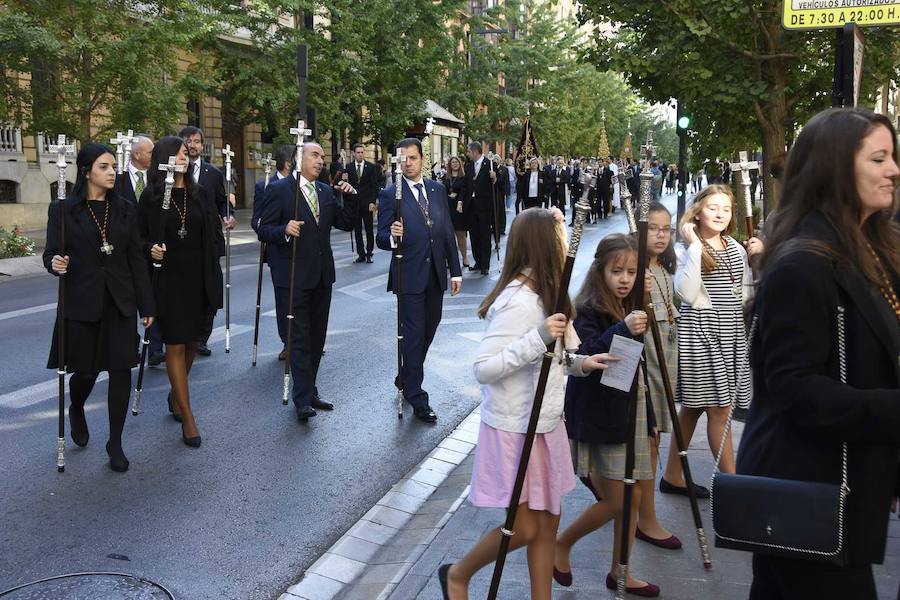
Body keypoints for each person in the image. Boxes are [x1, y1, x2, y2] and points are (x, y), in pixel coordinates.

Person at [736, 108, 900, 600]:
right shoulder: (803, 265)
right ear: (835, 168)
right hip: (809, 495)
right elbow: (794, 389)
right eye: (879, 158)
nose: (893, 169)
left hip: (847, 493)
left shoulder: (872, 250)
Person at [439, 207, 613, 600]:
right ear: (542, 246)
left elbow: (563, 359)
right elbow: (484, 369)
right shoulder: (517, 302)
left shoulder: (549, 293)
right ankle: (458, 574)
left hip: (547, 424)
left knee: (549, 520)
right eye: (561, 239)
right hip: (515, 427)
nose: (567, 246)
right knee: (524, 527)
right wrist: (536, 339)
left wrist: (586, 363)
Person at [553, 234, 660, 598]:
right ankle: (562, 544)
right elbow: (585, 358)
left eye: (631, 271)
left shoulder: (628, 305)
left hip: (629, 410)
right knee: (620, 500)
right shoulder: (588, 310)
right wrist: (623, 328)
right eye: (617, 271)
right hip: (602, 416)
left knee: (631, 497)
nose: (625, 278)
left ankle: (621, 570)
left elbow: (638, 364)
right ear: (600, 271)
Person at [44, 143, 155, 472]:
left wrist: (146, 304)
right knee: (87, 371)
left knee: (121, 369)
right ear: (87, 170)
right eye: (104, 167)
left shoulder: (123, 208)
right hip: (82, 300)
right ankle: (76, 405)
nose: (112, 172)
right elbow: (52, 252)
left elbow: (136, 257)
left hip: (120, 301)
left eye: (112, 167)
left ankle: (115, 441)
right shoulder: (63, 210)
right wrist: (56, 263)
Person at [661, 185, 752, 493]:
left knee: (695, 407)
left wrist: (760, 258)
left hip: (729, 334)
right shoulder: (686, 249)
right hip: (700, 334)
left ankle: (672, 475)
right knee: (719, 410)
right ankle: (733, 485)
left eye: (726, 209)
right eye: (713, 207)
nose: (720, 214)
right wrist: (695, 246)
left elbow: (745, 291)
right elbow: (685, 293)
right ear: (697, 212)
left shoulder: (734, 247)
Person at [257, 142, 357, 421]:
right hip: (293, 276)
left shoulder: (325, 191)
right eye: (315, 155)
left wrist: (349, 197)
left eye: (323, 157)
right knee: (299, 339)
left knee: (317, 338)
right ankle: (302, 399)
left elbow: (346, 223)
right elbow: (261, 227)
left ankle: (310, 389)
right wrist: (283, 230)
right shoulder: (278, 190)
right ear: (298, 159)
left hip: (322, 276)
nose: (321, 160)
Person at [138, 135, 223, 447]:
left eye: (185, 153)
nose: (184, 157)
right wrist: (151, 249)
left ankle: (177, 393)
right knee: (174, 344)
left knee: (192, 343)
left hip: (199, 278)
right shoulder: (152, 197)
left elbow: (211, 235)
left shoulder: (200, 194)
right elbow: (139, 237)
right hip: (169, 281)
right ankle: (187, 416)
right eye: (177, 153)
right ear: (163, 159)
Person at [376, 138, 462, 423]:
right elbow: (381, 238)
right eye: (403, 160)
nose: (408, 164)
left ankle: (405, 375)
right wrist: (393, 235)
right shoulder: (391, 194)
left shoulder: (437, 190)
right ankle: (417, 396)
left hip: (436, 273)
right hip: (409, 275)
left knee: (429, 329)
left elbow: (447, 230)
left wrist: (456, 270)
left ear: (422, 160)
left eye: (413, 158)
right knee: (413, 335)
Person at [635, 202, 681, 549]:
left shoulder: (663, 269)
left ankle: (636, 510)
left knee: (654, 442)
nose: (662, 234)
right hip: (641, 374)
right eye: (654, 228)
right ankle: (646, 520)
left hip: (662, 369)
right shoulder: (633, 268)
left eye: (666, 228)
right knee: (646, 444)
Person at [178, 125, 234, 357]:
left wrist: (227, 215)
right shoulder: (174, 171)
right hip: (180, 240)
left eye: (196, 141)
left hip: (209, 239)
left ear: (202, 145)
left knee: (209, 289)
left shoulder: (213, 173)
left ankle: (201, 337)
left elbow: (222, 201)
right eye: (188, 141)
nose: (192, 145)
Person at [251, 144, 294, 361]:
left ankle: (304, 338)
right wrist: (273, 228)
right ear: (288, 163)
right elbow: (257, 221)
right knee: (284, 299)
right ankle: (287, 341)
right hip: (279, 250)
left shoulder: (302, 184)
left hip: (302, 250)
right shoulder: (265, 185)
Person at [463, 142, 496, 275]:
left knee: (484, 235)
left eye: (469, 152)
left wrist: (495, 177)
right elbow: (466, 184)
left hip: (484, 205)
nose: (468, 154)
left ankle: (485, 264)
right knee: (474, 235)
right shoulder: (469, 166)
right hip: (471, 205)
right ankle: (477, 261)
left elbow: (498, 182)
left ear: (475, 151)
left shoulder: (489, 164)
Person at [347, 143, 381, 264]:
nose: (360, 154)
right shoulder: (349, 167)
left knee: (369, 229)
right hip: (355, 204)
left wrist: (373, 202)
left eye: (362, 152)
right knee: (357, 230)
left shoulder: (371, 167)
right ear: (354, 153)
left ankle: (369, 253)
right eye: (358, 152)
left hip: (367, 204)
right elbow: (348, 186)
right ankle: (360, 253)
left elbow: (374, 186)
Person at [443, 156, 469, 269]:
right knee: (449, 236)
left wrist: (459, 199)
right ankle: (449, 259)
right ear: (449, 165)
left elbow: (465, 190)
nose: (454, 164)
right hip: (448, 207)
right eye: (452, 162)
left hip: (459, 208)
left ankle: (464, 257)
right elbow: (443, 190)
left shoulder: (464, 177)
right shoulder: (446, 177)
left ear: (460, 164)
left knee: (461, 234)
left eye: (456, 162)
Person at [118, 135, 153, 204]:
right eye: (150, 152)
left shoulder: (155, 176)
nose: (154, 155)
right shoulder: (119, 176)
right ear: (137, 154)